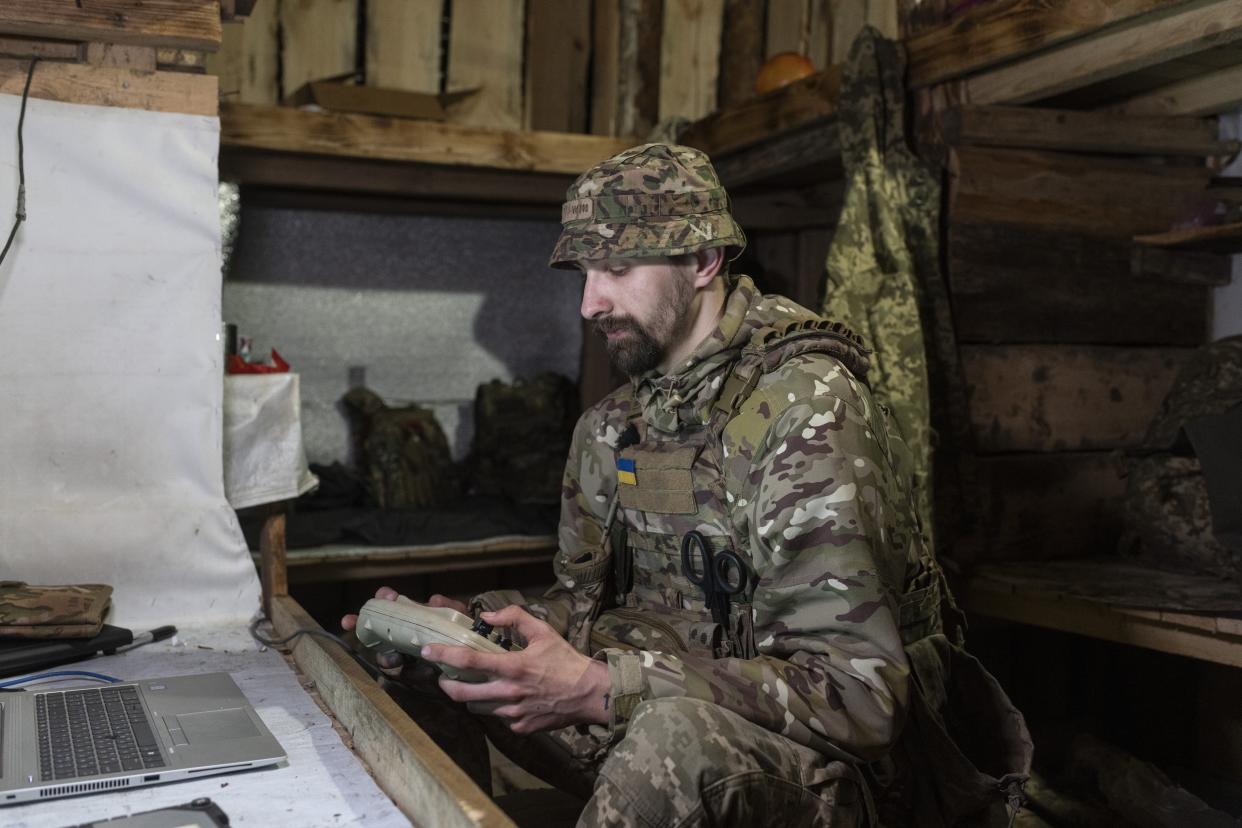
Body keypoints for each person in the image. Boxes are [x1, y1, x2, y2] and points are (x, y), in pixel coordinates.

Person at [343, 143, 1026, 826]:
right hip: (661, 724)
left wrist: (606, 686)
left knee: (671, 745)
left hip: (846, 779)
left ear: (703, 262)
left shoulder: (806, 411)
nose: (590, 302)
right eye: (584, 271)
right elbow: (581, 609)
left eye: (616, 267)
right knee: (448, 664)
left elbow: (860, 697)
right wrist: (486, 629)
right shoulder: (612, 429)